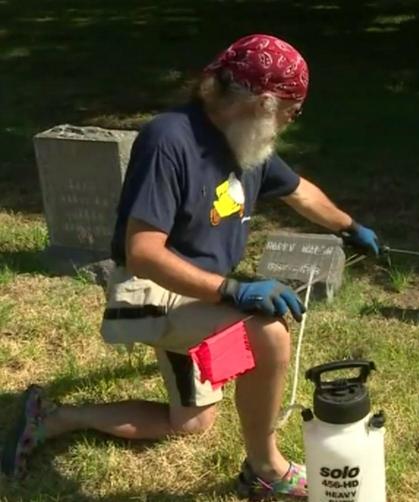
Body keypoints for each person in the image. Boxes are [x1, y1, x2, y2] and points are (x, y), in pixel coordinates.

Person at [2, 34, 380, 499]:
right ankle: (266, 470)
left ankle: (50, 418)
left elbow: (298, 191)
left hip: (200, 294)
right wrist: (234, 292)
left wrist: (348, 226)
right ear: (263, 102)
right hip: (147, 291)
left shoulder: (245, 143)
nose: (289, 121)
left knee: (192, 423)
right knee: (267, 332)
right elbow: (142, 252)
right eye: (291, 110)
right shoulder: (169, 139)